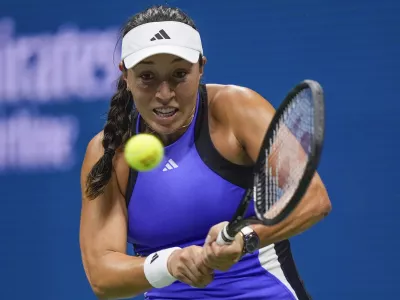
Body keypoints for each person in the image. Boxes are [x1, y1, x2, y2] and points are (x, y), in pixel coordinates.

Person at [79, 5, 332, 300]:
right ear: (126, 75)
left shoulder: (237, 109)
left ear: (201, 68)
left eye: (179, 74)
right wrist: (169, 264)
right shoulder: (106, 152)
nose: (164, 94)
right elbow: (102, 276)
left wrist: (247, 237)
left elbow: (313, 198)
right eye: (147, 76)